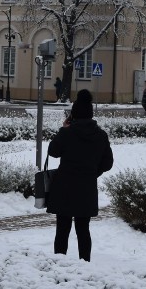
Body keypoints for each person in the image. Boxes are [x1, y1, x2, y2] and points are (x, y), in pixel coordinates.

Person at [46, 89, 113, 261]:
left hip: (64, 189)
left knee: (62, 230)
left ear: (73, 115)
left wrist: (63, 129)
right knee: (83, 230)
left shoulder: (67, 133)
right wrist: (92, 173)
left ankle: (60, 265)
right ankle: (85, 265)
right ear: (91, 114)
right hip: (86, 189)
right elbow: (108, 163)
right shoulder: (101, 135)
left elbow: (53, 151)